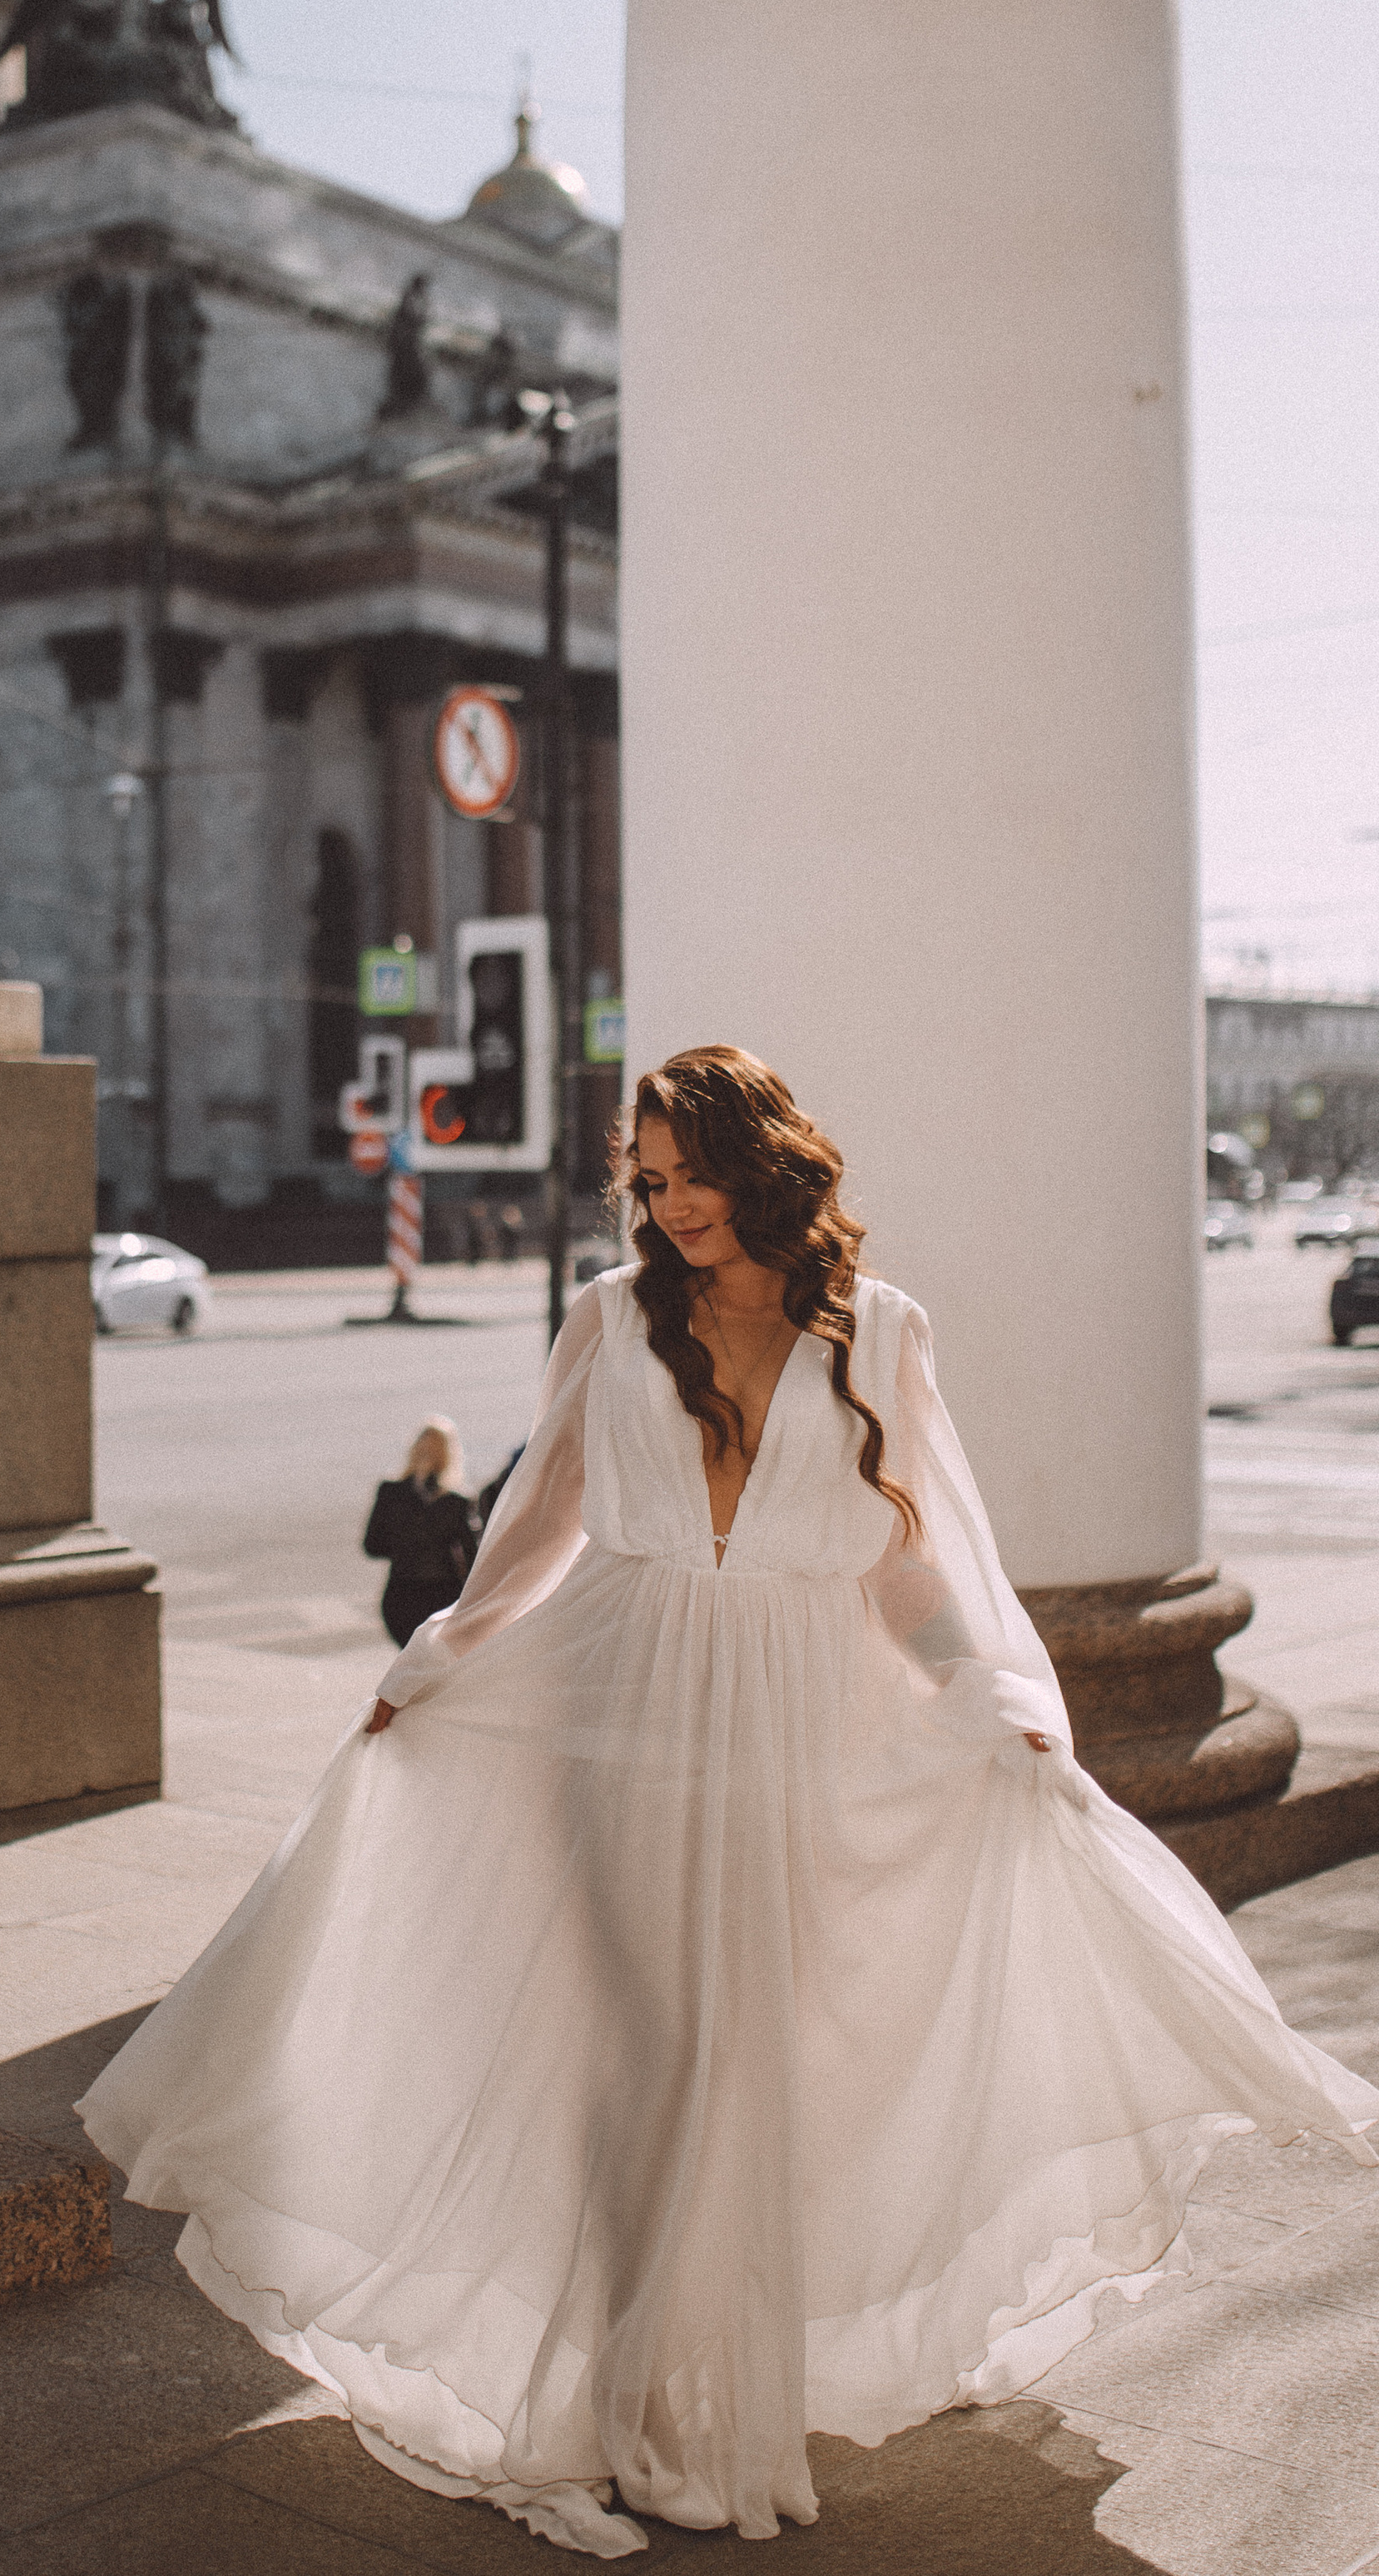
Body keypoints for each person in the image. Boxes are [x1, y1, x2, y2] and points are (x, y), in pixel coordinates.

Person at [82, 1047, 1378, 2554]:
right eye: (648, 1177)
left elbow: (908, 1555)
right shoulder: (607, 1319)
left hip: (800, 1727)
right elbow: (543, 1521)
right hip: (615, 1712)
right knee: (654, 2057)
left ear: (765, 1163)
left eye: (691, 1170)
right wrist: (449, 1647)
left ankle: (705, 2396)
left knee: (747, 2058)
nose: (671, 1203)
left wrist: (992, 1690)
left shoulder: (879, 1332)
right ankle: (643, 2412)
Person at [362, 1420, 479, 1647]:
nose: (427, 1453)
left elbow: (472, 1554)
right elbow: (372, 1545)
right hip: (403, 1594)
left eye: (434, 1449)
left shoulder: (457, 1501)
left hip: (443, 1594)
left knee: (434, 1661)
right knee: (415, 1657)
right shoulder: (392, 1492)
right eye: (423, 1446)